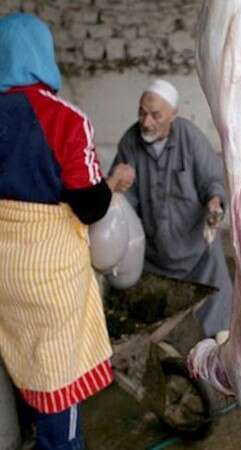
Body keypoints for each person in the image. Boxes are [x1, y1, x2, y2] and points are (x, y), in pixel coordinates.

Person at [0, 13, 134, 449]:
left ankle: (31, 430)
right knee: (59, 369)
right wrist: (110, 186)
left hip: (4, 272)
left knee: (23, 352)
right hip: (49, 272)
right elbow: (91, 206)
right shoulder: (63, 118)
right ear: (43, 55)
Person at [110, 79, 232, 339]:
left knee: (217, 326)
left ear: (173, 115)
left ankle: (215, 352)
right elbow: (124, 201)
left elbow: (213, 180)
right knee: (154, 322)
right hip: (154, 256)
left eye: (155, 115)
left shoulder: (189, 137)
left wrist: (214, 201)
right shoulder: (130, 142)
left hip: (197, 252)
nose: (146, 122)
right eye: (142, 112)